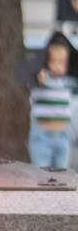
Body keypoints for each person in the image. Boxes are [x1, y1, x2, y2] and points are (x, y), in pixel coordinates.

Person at [28, 37, 76, 169]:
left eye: (62, 62)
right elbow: (31, 81)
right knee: (42, 176)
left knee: (62, 177)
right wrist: (38, 78)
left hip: (62, 136)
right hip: (42, 137)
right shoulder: (42, 79)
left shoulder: (68, 82)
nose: (58, 66)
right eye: (54, 61)